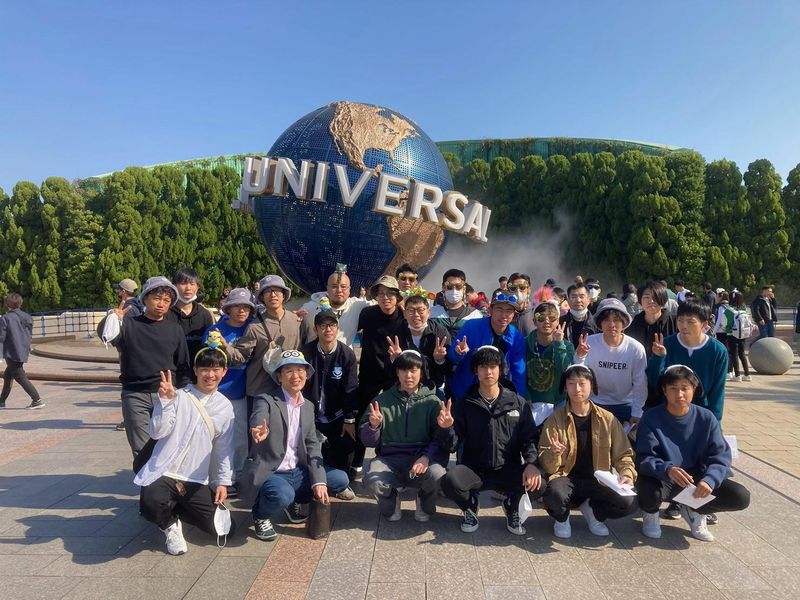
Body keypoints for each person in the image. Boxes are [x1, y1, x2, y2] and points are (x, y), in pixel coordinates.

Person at [240, 350, 350, 541]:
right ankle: (260, 515)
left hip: (299, 470)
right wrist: (257, 429)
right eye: (288, 370)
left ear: (307, 375)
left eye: (300, 370)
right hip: (273, 471)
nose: (295, 376)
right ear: (279, 376)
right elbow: (259, 417)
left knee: (340, 479)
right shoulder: (265, 399)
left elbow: (312, 444)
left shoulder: (308, 406)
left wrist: (318, 482)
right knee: (282, 495)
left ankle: (296, 500)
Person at [135, 347, 234, 555]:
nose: (210, 375)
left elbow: (223, 448)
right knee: (150, 504)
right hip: (164, 471)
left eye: (216, 369)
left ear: (224, 371)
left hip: (194, 477)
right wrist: (165, 402)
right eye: (205, 369)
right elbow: (157, 432)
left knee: (224, 529)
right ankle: (169, 524)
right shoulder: (179, 396)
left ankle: (175, 507)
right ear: (195, 370)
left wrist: (222, 482)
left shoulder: (225, 406)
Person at [635, 365, 750, 542]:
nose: (679, 394)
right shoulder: (651, 417)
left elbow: (720, 455)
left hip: (696, 477)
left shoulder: (706, 417)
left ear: (694, 389)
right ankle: (650, 514)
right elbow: (644, 457)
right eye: (673, 388)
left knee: (740, 496)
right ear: (664, 390)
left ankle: (695, 509)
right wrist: (667, 469)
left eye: (685, 388)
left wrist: (710, 479)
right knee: (649, 491)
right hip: (664, 477)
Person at [441, 346, 544, 535]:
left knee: (539, 483)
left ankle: (512, 505)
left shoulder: (517, 403)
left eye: (493, 366)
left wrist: (531, 463)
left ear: (501, 369)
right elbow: (452, 444)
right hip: (474, 468)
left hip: (507, 468)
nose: (488, 372)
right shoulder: (465, 404)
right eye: (483, 367)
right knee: (450, 481)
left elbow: (529, 438)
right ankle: (470, 505)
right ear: (475, 371)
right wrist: (447, 428)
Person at [539, 365, 637, 538]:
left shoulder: (608, 419)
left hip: (598, 480)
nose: (577, 389)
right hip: (565, 478)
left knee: (629, 501)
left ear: (592, 385)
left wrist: (626, 473)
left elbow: (623, 454)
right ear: (565, 387)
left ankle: (594, 512)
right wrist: (553, 453)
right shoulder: (555, 419)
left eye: (582, 383)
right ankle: (561, 518)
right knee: (554, 493)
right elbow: (546, 465)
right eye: (571, 383)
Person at [100, 276, 191, 462]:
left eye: (166, 300)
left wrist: (185, 395)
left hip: (166, 395)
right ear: (145, 298)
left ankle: (163, 480)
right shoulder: (129, 325)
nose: (161, 304)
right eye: (156, 298)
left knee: (167, 445)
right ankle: (144, 480)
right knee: (141, 449)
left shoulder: (175, 329)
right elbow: (106, 336)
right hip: (135, 395)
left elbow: (183, 365)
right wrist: (111, 318)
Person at [360, 350, 451, 522]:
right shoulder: (381, 401)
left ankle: (423, 500)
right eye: (404, 370)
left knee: (438, 475)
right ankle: (391, 500)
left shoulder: (433, 402)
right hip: (389, 459)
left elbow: (439, 438)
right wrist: (373, 426)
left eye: (414, 370)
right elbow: (368, 442)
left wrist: (426, 456)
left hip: (421, 458)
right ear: (397, 372)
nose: (409, 376)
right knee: (372, 478)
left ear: (421, 372)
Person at [300, 309, 358, 496]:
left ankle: (340, 483)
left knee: (347, 442)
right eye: (323, 326)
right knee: (309, 450)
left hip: (336, 414)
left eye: (332, 325)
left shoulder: (346, 354)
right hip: (311, 414)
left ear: (337, 328)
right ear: (316, 329)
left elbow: (350, 388)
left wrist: (349, 419)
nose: (328, 329)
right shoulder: (305, 353)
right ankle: (309, 482)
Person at [352, 275, 405, 477]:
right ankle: (356, 462)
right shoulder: (367, 314)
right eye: (381, 293)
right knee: (362, 417)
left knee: (393, 419)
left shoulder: (404, 316)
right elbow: (345, 323)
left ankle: (390, 460)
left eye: (390, 293)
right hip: (369, 373)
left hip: (395, 376)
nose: (385, 297)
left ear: (397, 296)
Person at [202, 288, 255, 490]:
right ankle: (214, 477)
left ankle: (236, 476)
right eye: (237, 306)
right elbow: (206, 361)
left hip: (240, 392)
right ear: (228, 308)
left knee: (240, 438)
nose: (241, 311)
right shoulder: (215, 330)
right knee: (215, 438)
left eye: (246, 307)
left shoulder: (253, 328)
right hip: (216, 393)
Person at [648, 300, 728, 422]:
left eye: (690, 321)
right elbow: (654, 382)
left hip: (701, 413)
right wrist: (658, 358)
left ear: (704, 324)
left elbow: (717, 390)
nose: (684, 326)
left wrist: (714, 422)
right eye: (680, 320)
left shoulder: (717, 350)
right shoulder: (666, 344)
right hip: (668, 411)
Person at [224, 274, 301, 401]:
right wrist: (225, 346)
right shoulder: (254, 326)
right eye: (267, 291)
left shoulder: (296, 320)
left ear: (284, 295)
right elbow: (241, 356)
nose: (272, 295)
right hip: (260, 391)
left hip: (288, 389)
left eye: (276, 290)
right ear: (262, 297)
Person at [574, 298, 647, 424]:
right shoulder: (589, 343)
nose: (611, 324)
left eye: (616, 320)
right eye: (606, 320)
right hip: (595, 402)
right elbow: (578, 374)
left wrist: (636, 412)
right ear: (600, 323)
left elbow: (640, 383)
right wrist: (580, 356)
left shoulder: (635, 348)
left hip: (626, 404)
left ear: (624, 323)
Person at [448, 290, 526, 401]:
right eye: (499, 309)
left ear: (514, 314)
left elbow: (519, 372)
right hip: (466, 392)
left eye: (509, 311)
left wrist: (519, 400)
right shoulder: (471, 326)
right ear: (490, 310)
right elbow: (451, 357)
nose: (504, 315)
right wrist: (458, 353)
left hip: (498, 394)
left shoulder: (516, 336)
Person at [387, 289, 452, 390]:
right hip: (402, 387)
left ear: (429, 312)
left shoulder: (439, 332)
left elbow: (448, 369)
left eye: (421, 310)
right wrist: (395, 359)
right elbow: (387, 369)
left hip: (432, 386)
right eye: (411, 310)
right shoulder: (395, 333)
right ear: (405, 313)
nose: (416, 315)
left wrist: (439, 360)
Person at [627, 281, 677, 409]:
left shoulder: (674, 321)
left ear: (663, 299)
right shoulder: (634, 324)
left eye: (655, 297)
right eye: (646, 297)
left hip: (668, 380)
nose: (651, 301)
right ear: (640, 301)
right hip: (640, 380)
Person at [525, 301, 574, 423]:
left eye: (552, 318)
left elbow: (567, 371)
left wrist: (559, 344)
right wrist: (525, 397)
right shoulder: (523, 343)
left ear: (558, 321)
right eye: (541, 318)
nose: (547, 321)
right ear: (534, 321)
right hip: (528, 403)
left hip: (558, 404)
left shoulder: (567, 346)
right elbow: (517, 373)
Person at [299, 269, 369, 348]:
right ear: (327, 288)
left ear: (349, 289)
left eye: (343, 287)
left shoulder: (356, 305)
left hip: (345, 355)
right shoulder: (309, 308)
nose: (339, 290)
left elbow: (378, 302)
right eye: (334, 286)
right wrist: (293, 317)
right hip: (314, 355)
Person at [0, 293, 43, 409]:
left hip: (12, 352)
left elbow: (1, 337)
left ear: (7, 304)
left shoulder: (5, 318)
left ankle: (37, 399)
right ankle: (1, 401)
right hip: (23, 350)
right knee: (8, 375)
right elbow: (28, 333)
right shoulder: (27, 316)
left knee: (20, 376)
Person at [165, 268, 215, 360]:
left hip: (198, 366)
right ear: (174, 286)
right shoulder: (165, 313)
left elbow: (209, 344)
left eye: (192, 284)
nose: (188, 288)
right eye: (183, 283)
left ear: (198, 287)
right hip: (171, 367)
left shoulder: (205, 314)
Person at [429, 268, 482, 339]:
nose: (454, 290)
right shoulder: (431, 313)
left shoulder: (475, 315)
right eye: (449, 287)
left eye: (458, 286)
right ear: (443, 288)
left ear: (464, 289)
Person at [560, 282, 597, 349]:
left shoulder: (597, 323)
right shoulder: (560, 322)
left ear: (589, 300)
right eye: (574, 297)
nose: (578, 300)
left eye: (581, 297)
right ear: (568, 300)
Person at [727, 291, 752, 382]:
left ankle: (737, 375)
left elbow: (726, 323)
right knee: (742, 353)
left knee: (734, 354)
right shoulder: (745, 308)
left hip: (732, 334)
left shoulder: (729, 309)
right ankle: (747, 374)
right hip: (743, 334)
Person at [712, 291, 736, 381]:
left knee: (724, 351)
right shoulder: (730, 306)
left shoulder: (721, 307)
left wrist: (714, 331)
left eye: (717, 296)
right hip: (729, 331)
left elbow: (719, 321)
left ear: (720, 297)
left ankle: (727, 371)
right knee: (729, 350)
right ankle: (731, 370)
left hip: (721, 331)